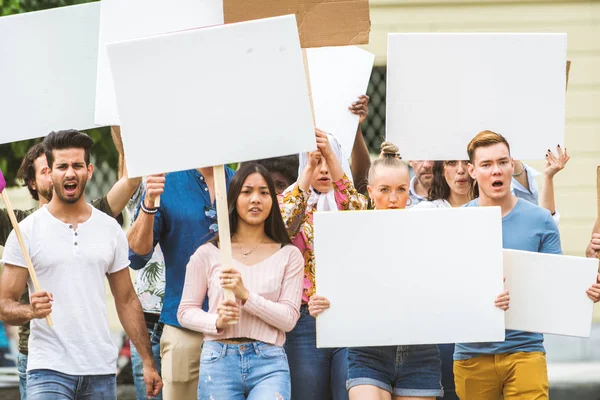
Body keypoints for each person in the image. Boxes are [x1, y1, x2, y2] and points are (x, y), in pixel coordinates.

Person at [0, 129, 161, 400]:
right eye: (62, 166)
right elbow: (4, 304)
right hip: (47, 369)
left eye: (77, 165)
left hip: (100, 369)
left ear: (89, 170)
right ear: (49, 173)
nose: (70, 173)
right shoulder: (25, 231)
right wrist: (30, 310)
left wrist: (147, 361)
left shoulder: (109, 228)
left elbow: (126, 300)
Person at [310, 142, 444, 400]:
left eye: (401, 190)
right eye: (385, 190)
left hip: (420, 350)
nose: (393, 199)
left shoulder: (427, 229)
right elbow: (338, 287)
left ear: (410, 190)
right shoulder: (351, 233)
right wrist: (322, 303)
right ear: (370, 191)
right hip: (368, 349)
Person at [453, 130, 577, 400]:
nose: (495, 171)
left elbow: (558, 285)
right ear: (472, 172)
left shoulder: (541, 220)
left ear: (512, 165)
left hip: (526, 351)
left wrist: (586, 290)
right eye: (486, 165)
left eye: (502, 162)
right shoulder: (455, 224)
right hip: (472, 354)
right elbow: (444, 288)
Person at [178, 163, 304, 399]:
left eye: (264, 192)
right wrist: (216, 321)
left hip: (269, 362)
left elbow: (288, 319)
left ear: (273, 200)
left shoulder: (289, 255)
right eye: (247, 192)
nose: (256, 199)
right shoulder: (209, 253)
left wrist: (245, 295)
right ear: (234, 197)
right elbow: (185, 311)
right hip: (218, 360)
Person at [128, 160, 235, 399]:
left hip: (238, 327)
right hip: (183, 326)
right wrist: (148, 204)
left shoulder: (242, 184)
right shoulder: (167, 183)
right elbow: (136, 257)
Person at [279, 129, 368, 400]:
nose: (324, 169)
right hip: (305, 318)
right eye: (316, 162)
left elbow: (357, 213)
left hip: (349, 316)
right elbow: (283, 231)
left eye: (330, 160)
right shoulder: (291, 199)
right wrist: (308, 169)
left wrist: (328, 152)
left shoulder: (355, 202)